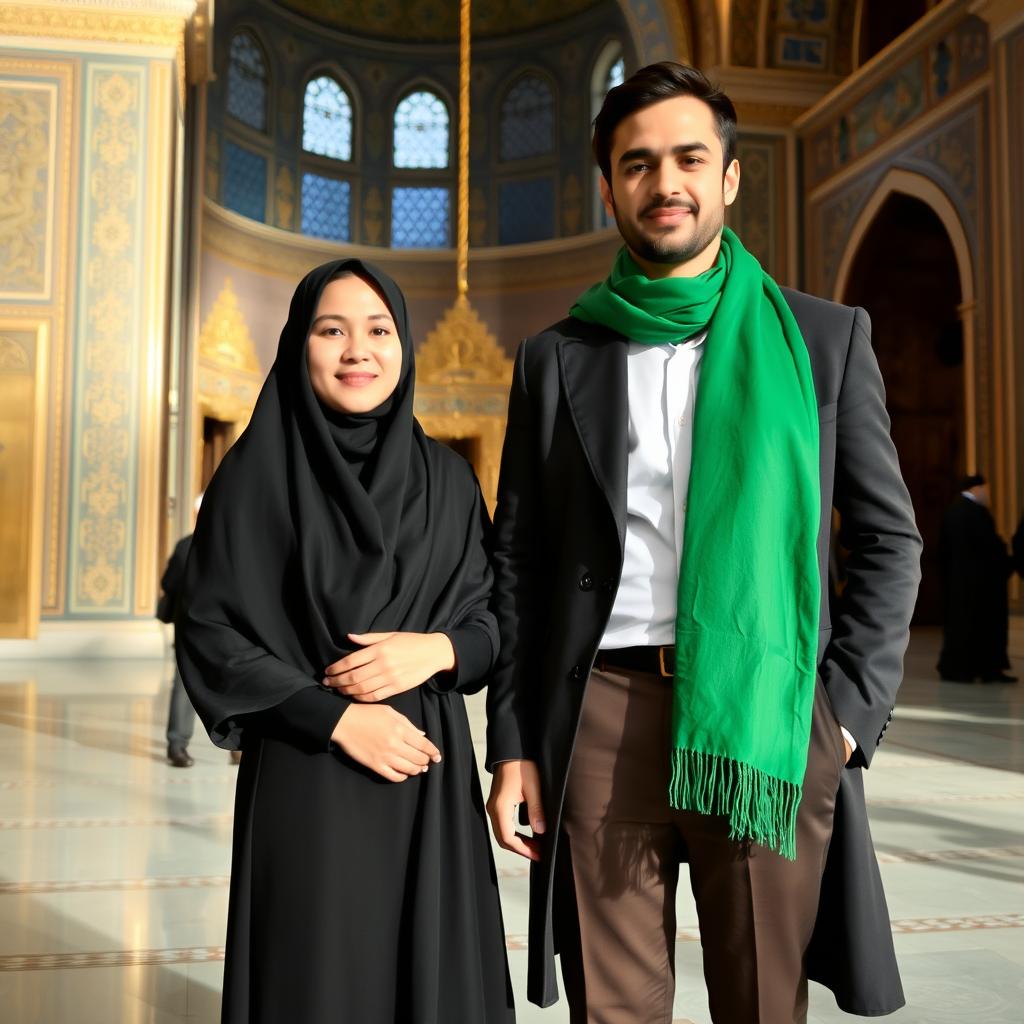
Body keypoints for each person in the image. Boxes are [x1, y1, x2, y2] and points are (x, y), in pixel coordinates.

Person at [485, 62, 921, 1024]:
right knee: (616, 1009)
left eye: (689, 157)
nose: (664, 182)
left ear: (728, 178)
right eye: (637, 165)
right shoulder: (558, 358)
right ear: (610, 189)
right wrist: (513, 744)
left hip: (766, 713)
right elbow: (517, 560)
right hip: (602, 712)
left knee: (763, 999)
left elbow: (890, 538)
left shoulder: (822, 338)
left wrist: (842, 716)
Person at [176, 260, 515, 1023]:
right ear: (300, 344)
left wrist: (439, 651)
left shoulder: (448, 483)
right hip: (308, 775)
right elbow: (210, 633)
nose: (357, 350)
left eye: (379, 330)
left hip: (425, 776)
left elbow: (497, 620)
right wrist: (335, 719)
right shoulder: (254, 477)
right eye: (332, 330)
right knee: (318, 981)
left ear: (404, 348)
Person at [937, 474, 1016, 683]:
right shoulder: (975, 513)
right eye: (987, 490)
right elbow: (989, 548)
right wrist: (1008, 562)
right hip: (982, 585)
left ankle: (960, 669)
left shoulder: (953, 510)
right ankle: (984, 670)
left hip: (959, 584)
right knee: (983, 629)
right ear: (977, 489)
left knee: (961, 627)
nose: (988, 496)